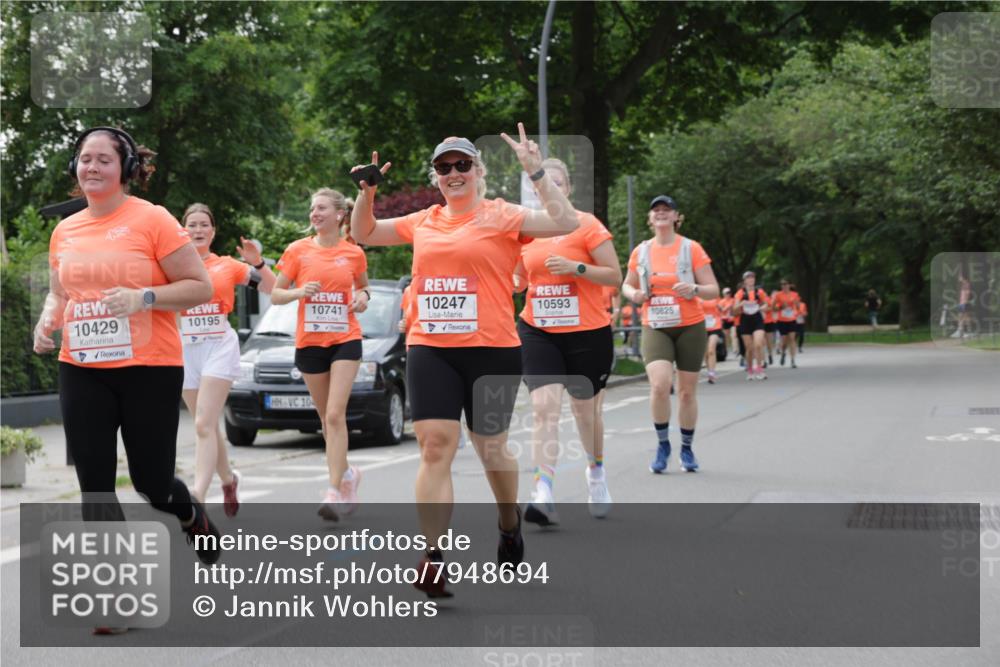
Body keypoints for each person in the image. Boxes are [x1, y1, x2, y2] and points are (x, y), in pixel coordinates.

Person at [350, 125, 580, 597]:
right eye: (444, 167)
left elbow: (565, 222)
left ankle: (508, 520)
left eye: (462, 165)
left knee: (491, 447)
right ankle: (433, 556)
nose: (453, 173)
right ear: (436, 177)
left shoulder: (503, 215)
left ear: (478, 171)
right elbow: (364, 231)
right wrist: (367, 192)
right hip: (431, 347)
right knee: (435, 446)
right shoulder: (424, 221)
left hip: (491, 349)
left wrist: (536, 171)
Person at [32, 127, 221, 581]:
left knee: (151, 484)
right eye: (85, 159)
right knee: (94, 485)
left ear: (126, 169)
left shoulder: (152, 219)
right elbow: (61, 293)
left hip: (149, 369)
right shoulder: (65, 230)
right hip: (82, 367)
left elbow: (200, 287)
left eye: (103, 160)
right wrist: (47, 319)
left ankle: (191, 515)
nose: (92, 167)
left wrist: (144, 299)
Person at [512, 157, 623, 525]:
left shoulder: (586, 224)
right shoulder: (525, 231)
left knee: (585, 414)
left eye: (555, 182)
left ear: (567, 188)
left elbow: (614, 276)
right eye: (540, 183)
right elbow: (517, 280)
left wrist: (576, 268)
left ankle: (596, 473)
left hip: (587, 333)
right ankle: (543, 490)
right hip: (538, 330)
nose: (546, 188)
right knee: (543, 407)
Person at [270, 188, 370, 521]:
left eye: (322, 208)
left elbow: (364, 287)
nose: (314, 213)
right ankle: (349, 476)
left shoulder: (353, 253)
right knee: (326, 420)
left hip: (345, 339)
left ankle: (333, 491)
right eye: (312, 208)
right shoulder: (297, 250)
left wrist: (363, 299)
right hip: (310, 342)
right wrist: (300, 291)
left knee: (334, 415)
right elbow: (276, 294)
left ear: (340, 215)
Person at [179, 203, 276, 516]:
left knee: (204, 423)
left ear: (213, 231)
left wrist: (258, 263)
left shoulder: (227, 266)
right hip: (185, 348)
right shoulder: (171, 267)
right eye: (191, 225)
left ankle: (197, 494)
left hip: (218, 345)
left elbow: (272, 289)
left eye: (203, 225)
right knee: (205, 425)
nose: (197, 230)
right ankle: (228, 479)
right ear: (183, 231)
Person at [622, 195, 719, 474]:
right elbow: (626, 285)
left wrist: (695, 289)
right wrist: (636, 294)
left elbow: (712, 288)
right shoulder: (641, 251)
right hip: (655, 324)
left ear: (677, 217)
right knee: (660, 384)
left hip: (689, 325)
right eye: (656, 211)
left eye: (667, 210)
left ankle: (686, 448)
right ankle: (663, 444)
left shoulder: (691, 248)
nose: (661, 214)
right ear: (650, 219)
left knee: (687, 392)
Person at [734, 271, 770, 381]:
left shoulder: (759, 292)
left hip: (757, 319)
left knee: (758, 344)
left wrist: (764, 307)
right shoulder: (740, 293)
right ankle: (750, 370)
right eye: (748, 278)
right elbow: (734, 309)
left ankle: (759, 369)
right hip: (745, 320)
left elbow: (767, 304)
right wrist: (741, 304)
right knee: (749, 348)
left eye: (752, 278)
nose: (751, 280)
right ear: (744, 281)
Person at [772, 279, 801, 368]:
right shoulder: (778, 295)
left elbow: (798, 307)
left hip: (792, 319)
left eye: (785, 284)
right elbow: (773, 308)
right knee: (784, 341)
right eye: (782, 284)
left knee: (792, 339)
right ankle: (783, 353)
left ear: (789, 285)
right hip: (782, 320)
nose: (784, 286)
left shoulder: (794, 294)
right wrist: (781, 307)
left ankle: (793, 361)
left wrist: (796, 304)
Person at [701, 295, 723, 383]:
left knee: (711, 349)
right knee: (705, 352)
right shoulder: (697, 297)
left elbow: (721, 309)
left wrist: (720, 308)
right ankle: (709, 370)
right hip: (702, 326)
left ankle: (712, 373)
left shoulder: (715, 296)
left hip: (715, 325)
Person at [719, 286, 736, 358]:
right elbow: (721, 310)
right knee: (726, 337)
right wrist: (728, 307)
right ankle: (725, 350)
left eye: (729, 293)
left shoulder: (733, 300)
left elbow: (735, 309)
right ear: (724, 294)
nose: (728, 294)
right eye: (726, 293)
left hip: (732, 320)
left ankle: (735, 350)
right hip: (725, 320)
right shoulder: (721, 301)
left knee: (734, 335)